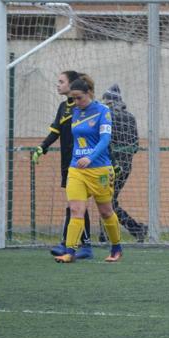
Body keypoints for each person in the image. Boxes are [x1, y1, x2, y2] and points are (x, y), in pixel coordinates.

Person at [54, 78, 124, 263]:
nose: (76, 102)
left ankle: (116, 248)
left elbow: (105, 140)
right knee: (76, 209)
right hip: (76, 169)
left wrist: (90, 157)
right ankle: (70, 251)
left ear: (90, 94)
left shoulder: (103, 111)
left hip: (99, 170)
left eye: (79, 98)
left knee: (106, 212)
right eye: (74, 98)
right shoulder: (76, 112)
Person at [32, 71, 94, 260]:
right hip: (67, 162)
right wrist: (42, 147)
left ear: (72, 84)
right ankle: (73, 243)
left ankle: (79, 244)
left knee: (78, 205)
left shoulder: (84, 106)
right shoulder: (63, 107)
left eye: (61, 82)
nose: (57, 85)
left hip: (83, 162)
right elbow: (55, 132)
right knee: (75, 205)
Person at [101, 84, 147, 242]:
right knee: (108, 199)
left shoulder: (107, 116)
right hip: (126, 165)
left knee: (107, 200)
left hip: (111, 164)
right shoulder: (130, 117)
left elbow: (105, 141)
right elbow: (135, 145)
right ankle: (105, 234)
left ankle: (136, 229)